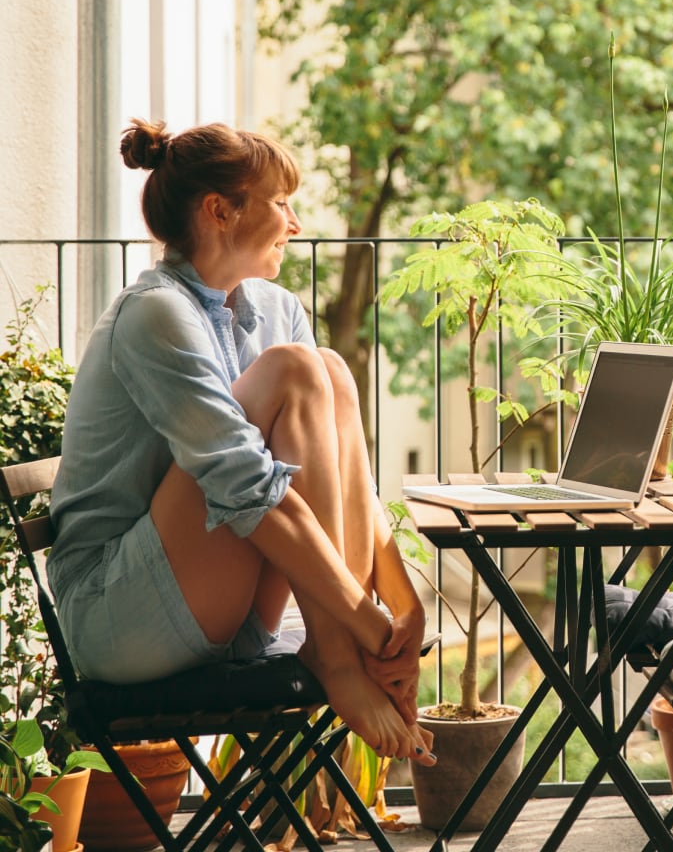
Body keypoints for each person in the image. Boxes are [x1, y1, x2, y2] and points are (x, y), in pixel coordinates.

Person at [49, 119, 435, 765]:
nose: (296, 222)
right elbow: (249, 490)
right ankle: (335, 655)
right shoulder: (155, 314)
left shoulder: (276, 309)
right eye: (281, 202)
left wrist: (403, 607)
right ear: (220, 211)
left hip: (215, 601)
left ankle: (337, 646)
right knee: (296, 371)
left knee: (330, 371)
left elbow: (339, 479)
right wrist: (367, 633)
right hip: (118, 617)